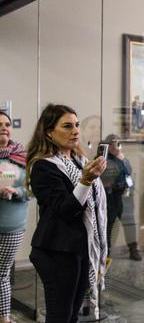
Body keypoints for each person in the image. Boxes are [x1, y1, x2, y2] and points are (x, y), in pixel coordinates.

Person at [26, 104, 107, 322]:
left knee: (71, 314)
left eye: (77, 125)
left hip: (78, 249)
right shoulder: (43, 167)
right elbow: (66, 209)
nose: (75, 131)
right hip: (56, 251)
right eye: (67, 126)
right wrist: (86, 181)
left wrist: (90, 179)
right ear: (49, 132)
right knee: (60, 315)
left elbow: (92, 203)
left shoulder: (78, 161)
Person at [0, 111, 28, 323]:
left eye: (7, 124)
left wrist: (15, 191)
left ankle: (5, 317)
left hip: (10, 226)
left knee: (1, 274)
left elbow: (33, 190)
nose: (4, 128)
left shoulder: (21, 157)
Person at [100, 134, 141, 261]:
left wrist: (122, 160)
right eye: (112, 143)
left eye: (117, 143)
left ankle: (133, 249)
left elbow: (129, 172)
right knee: (108, 225)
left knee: (129, 223)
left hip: (124, 196)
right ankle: (105, 252)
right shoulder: (103, 158)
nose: (115, 146)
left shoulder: (123, 158)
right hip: (110, 196)